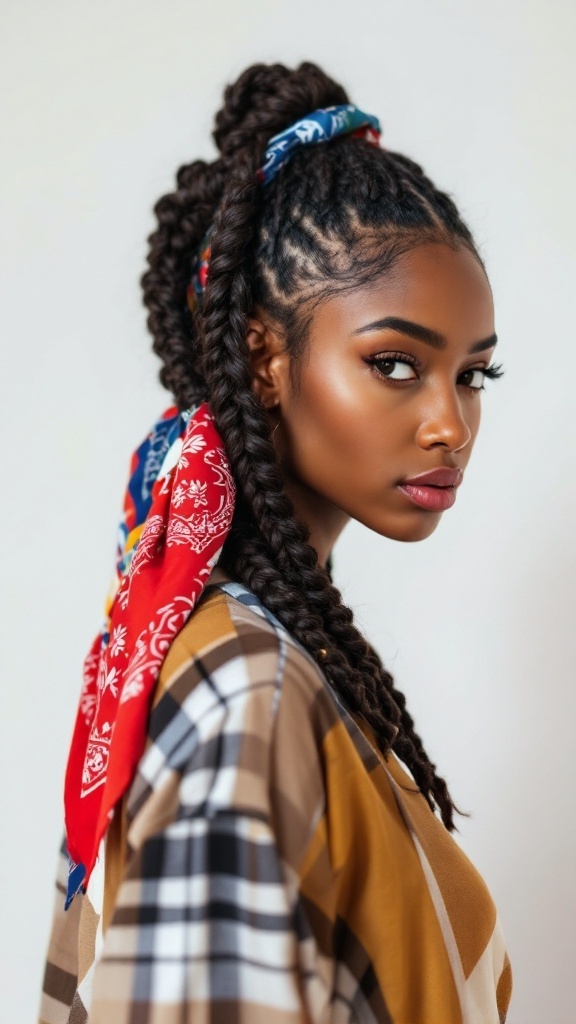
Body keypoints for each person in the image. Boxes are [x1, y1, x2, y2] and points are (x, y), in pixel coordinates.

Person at [39, 60, 512, 1024]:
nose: (450, 425)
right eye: (395, 364)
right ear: (263, 357)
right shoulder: (246, 691)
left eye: (473, 376)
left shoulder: (283, 659)